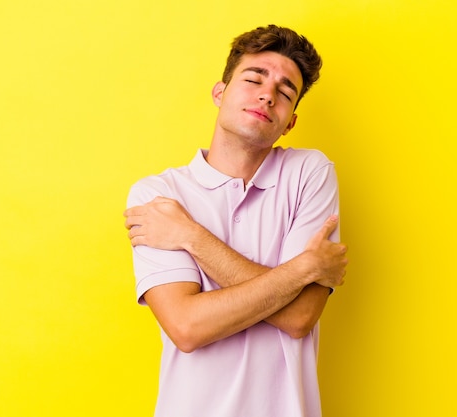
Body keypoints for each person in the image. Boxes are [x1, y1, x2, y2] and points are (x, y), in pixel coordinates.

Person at [124, 24, 348, 417]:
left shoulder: (309, 173)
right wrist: (303, 270)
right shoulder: (159, 197)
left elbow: (299, 318)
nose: (268, 94)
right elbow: (188, 327)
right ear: (219, 92)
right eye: (254, 78)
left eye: (286, 91)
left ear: (290, 121)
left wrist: (191, 236)